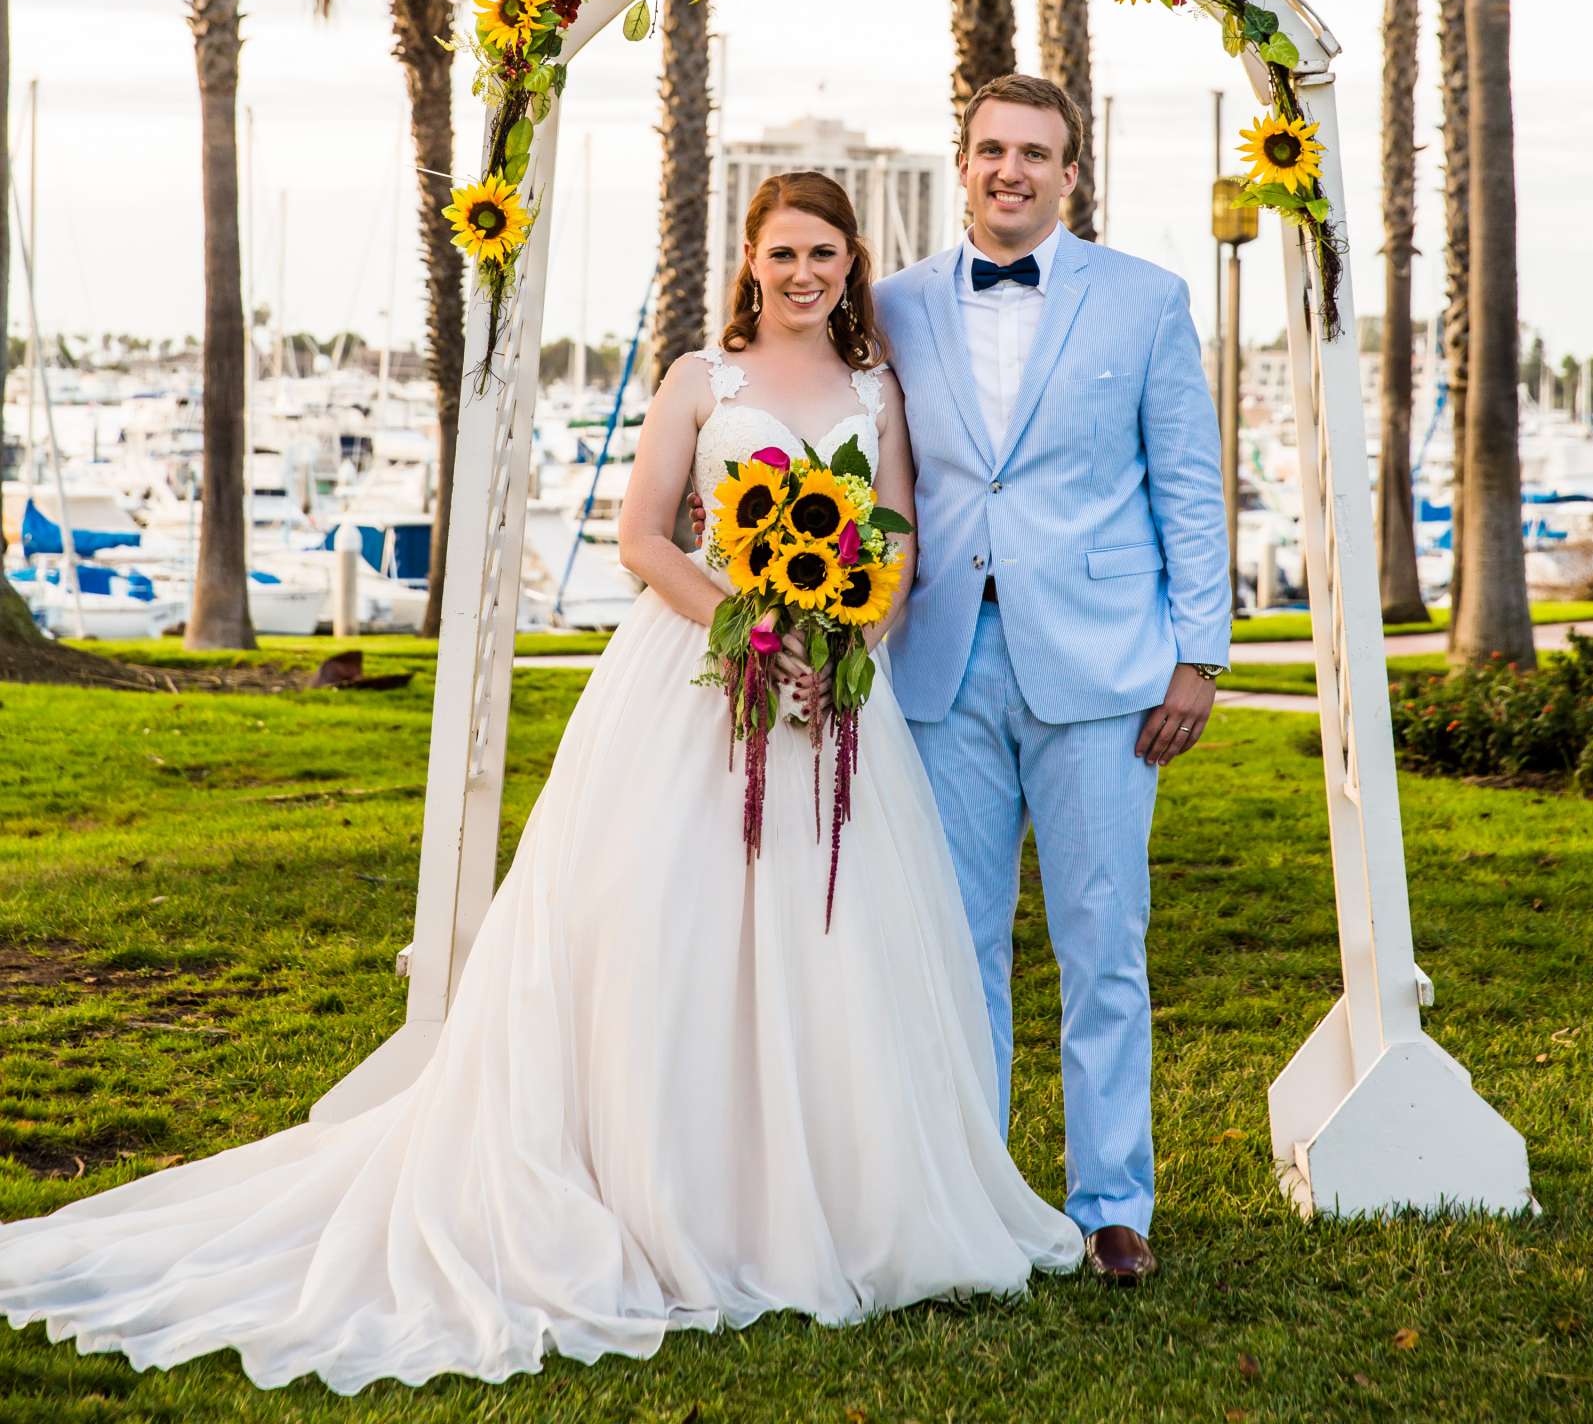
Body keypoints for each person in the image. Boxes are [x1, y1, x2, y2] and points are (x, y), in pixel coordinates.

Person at [0, 170, 1078, 1396]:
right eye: (782, 251)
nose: (802, 273)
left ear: (851, 262)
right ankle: (668, 1191)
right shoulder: (697, 381)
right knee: (658, 930)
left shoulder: (876, 389)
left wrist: (850, 645)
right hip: (696, 679)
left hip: (834, 699)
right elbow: (644, 539)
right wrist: (753, 634)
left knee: (830, 944)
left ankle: (819, 1197)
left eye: (823, 252)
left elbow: (894, 537)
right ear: (750, 259)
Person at [874, 75, 1232, 1288]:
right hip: (939, 665)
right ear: (960, 161)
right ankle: (973, 1195)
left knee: (1102, 940)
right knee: (956, 943)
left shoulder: (1144, 300)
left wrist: (1199, 654)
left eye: (1036, 153)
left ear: (1070, 174)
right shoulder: (893, 308)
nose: (1010, 170)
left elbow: (1187, 482)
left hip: (1104, 672)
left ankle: (1111, 1202)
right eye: (991, 150)